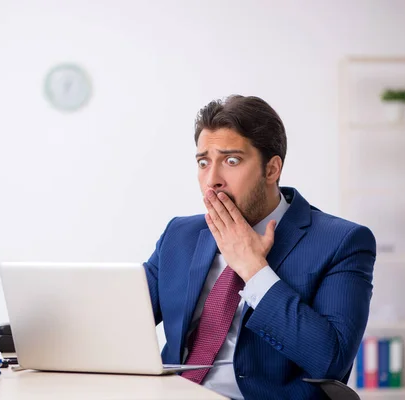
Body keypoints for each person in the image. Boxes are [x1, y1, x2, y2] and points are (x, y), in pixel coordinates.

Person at [143, 95, 376, 400]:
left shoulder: (342, 242)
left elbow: (330, 361)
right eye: (203, 162)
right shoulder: (180, 234)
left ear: (272, 169)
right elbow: (119, 316)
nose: (212, 180)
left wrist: (254, 270)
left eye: (231, 161)